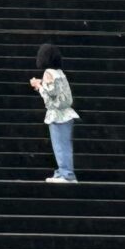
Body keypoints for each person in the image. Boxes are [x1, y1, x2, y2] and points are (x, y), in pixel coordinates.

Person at [28, 43, 79, 181]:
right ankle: (63, 171)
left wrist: (38, 86)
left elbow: (50, 94)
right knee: (64, 144)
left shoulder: (48, 72)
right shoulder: (60, 73)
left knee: (60, 145)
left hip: (57, 115)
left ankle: (66, 174)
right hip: (67, 113)